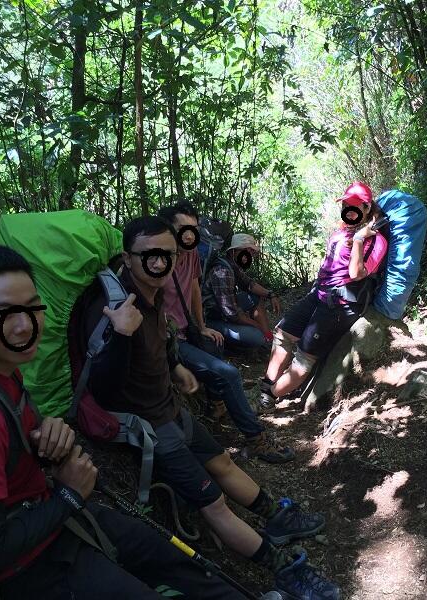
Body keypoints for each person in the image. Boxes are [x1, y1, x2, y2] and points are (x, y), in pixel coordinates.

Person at [0, 245, 248, 599]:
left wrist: (44, 439)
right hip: (27, 568)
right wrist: (70, 495)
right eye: (1, 313)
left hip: (50, 519)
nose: (22, 324)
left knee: (169, 556)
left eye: (32, 307)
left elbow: (9, 450)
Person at [82, 215, 340, 600]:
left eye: (166, 254)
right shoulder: (112, 307)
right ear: (127, 256)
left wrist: (176, 368)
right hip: (147, 427)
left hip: (171, 409)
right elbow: (101, 387)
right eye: (149, 255)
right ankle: (283, 569)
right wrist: (120, 335)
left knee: (223, 462)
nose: (159, 263)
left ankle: (277, 517)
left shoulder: (150, 297)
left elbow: (162, 341)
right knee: (214, 504)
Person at [158, 202, 295, 462]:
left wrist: (201, 326)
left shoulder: (191, 256)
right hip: (169, 340)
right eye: (182, 229)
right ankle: (256, 439)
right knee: (229, 374)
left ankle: (216, 405)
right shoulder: (158, 263)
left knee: (214, 344)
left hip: (188, 330)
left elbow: (195, 289)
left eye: (194, 229)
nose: (189, 235)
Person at [259, 181, 388, 410]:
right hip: (318, 294)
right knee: (283, 332)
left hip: (340, 304)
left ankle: (269, 397)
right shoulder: (342, 230)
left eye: (354, 204)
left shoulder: (376, 241)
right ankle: (265, 387)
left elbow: (356, 273)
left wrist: (359, 239)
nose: (348, 207)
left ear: (367, 208)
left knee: (304, 357)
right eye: (346, 203)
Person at [202, 233, 281, 351]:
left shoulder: (232, 265)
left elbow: (249, 284)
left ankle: (268, 338)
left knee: (255, 297)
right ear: (233, 251)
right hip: (211, 318)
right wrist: (257, 326)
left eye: (251, 252)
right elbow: (232, 314)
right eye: (245, 251)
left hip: (222, 311)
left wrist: (271, 294)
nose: (248, 255)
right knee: (257, 337)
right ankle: (254, 339)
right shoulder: (223, 271)